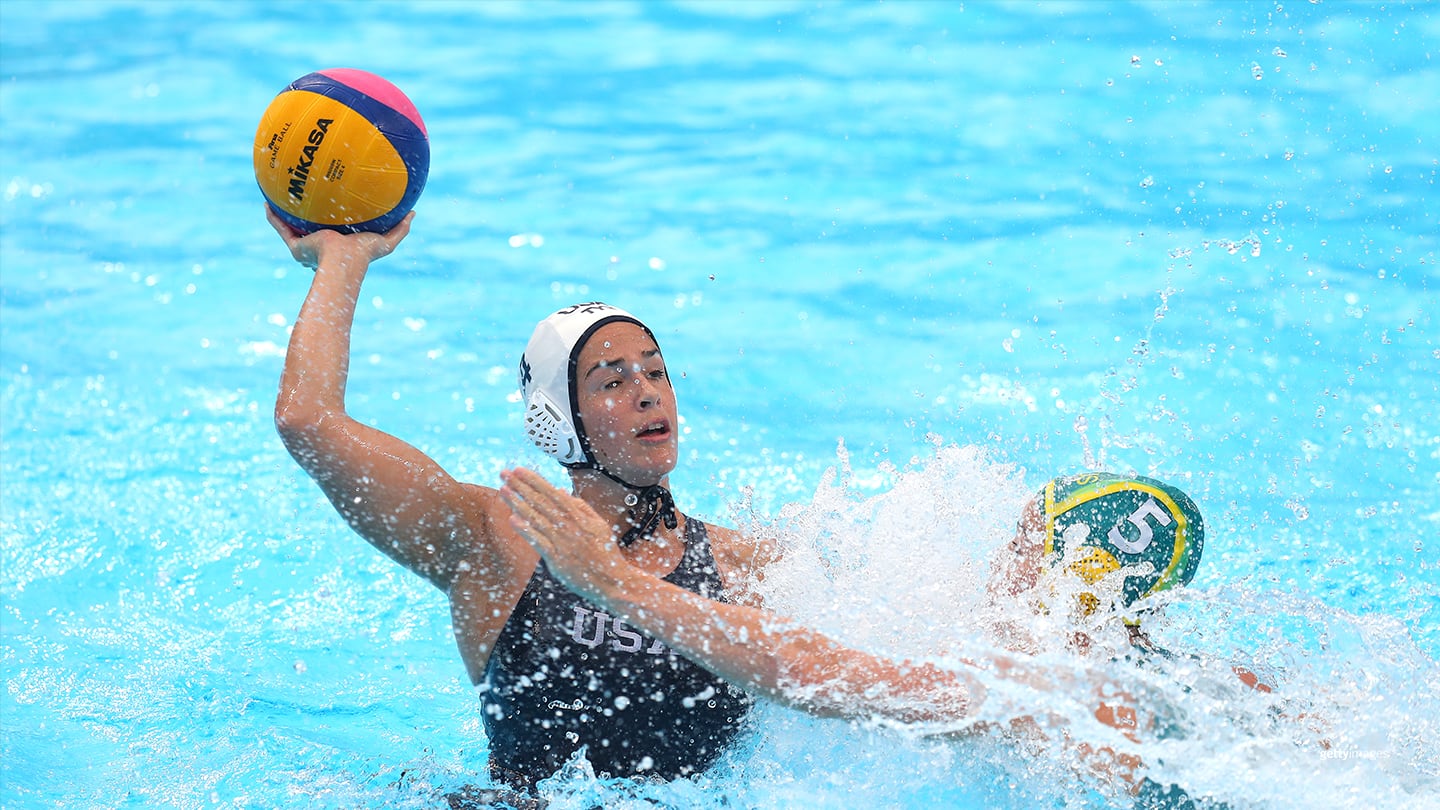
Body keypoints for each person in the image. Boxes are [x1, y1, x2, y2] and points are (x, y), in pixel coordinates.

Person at [267, 209, 774, 794]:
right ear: (556, 420)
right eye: (612, 381)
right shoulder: (495, 545)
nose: (646, 394)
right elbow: (306, 420)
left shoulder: (750, 569)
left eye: (656, 373)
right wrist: (343, 259)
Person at [500, 466, 1270, 805]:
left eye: (1019, 542)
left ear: (1053, 572)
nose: (998, 565)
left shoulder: (1038, 691)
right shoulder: (1214, 689)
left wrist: (618, 586)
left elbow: (812, 672)